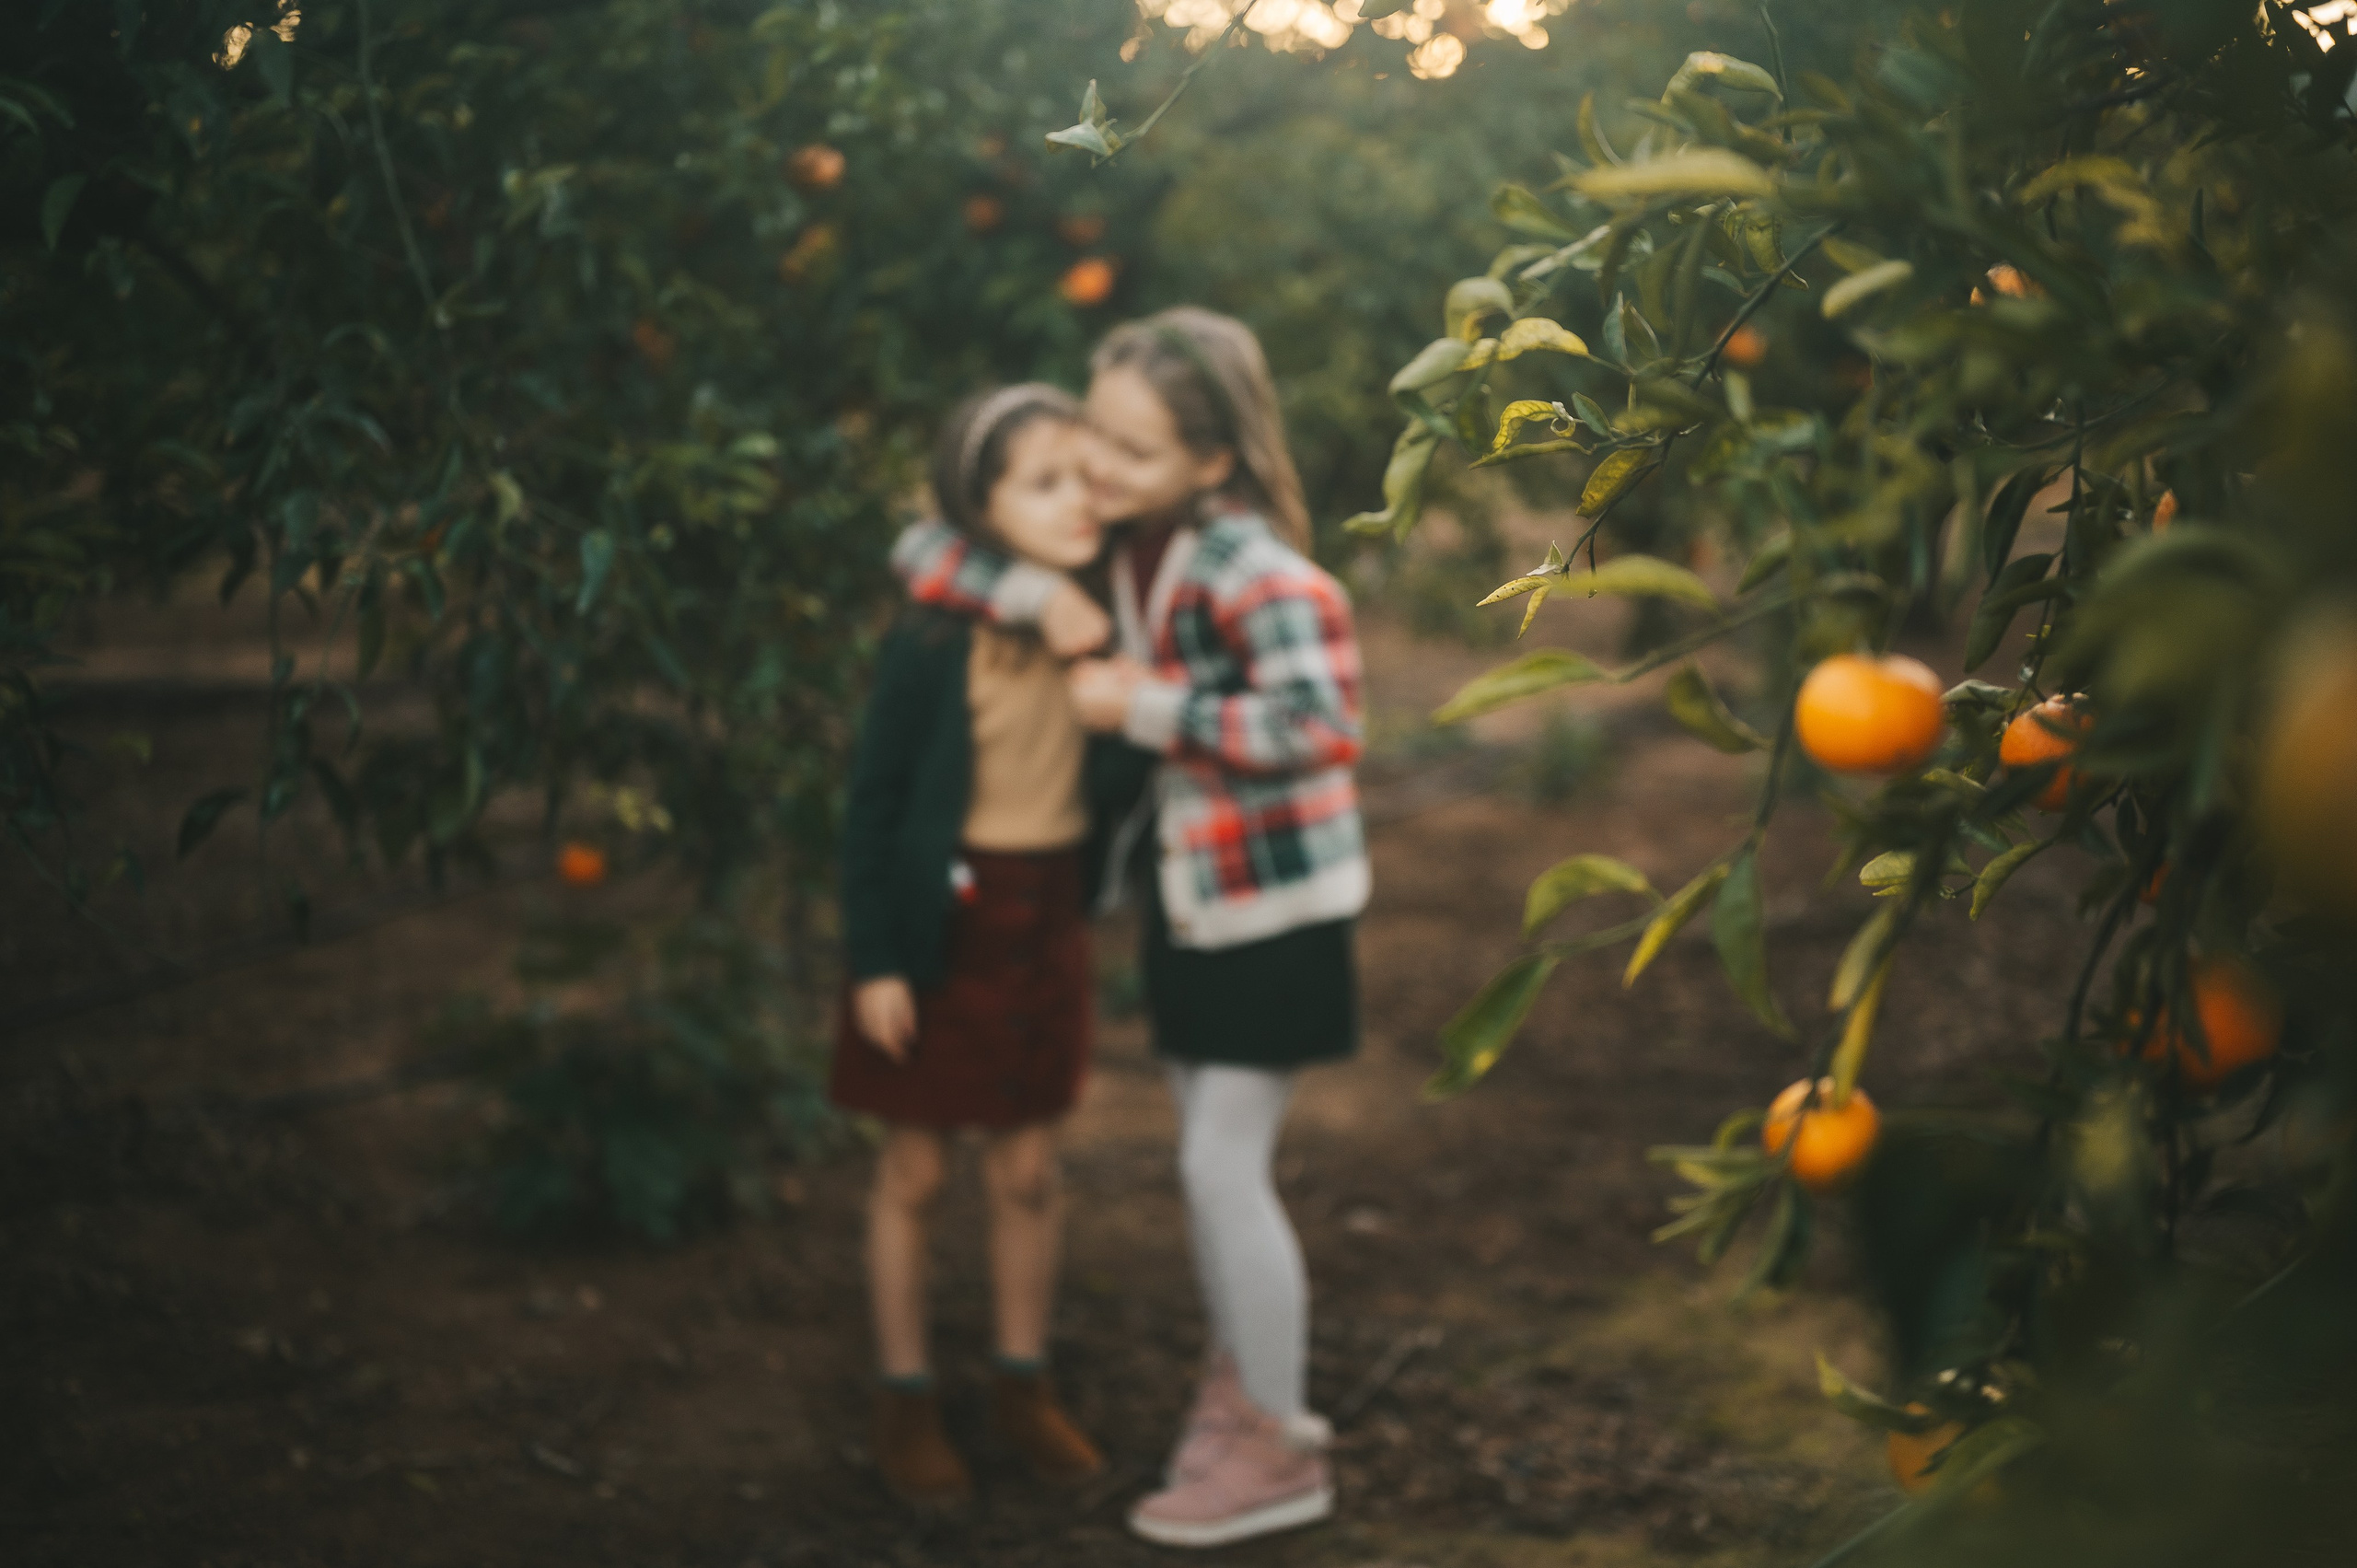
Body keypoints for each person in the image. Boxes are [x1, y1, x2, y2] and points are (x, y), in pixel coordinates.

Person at [893, 308, 1367, 1548]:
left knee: (1220, 1164)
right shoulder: (1126, 542)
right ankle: (1242, 1374)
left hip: (1271, 912)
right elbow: (924, 551)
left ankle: (1277, 1437)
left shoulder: (1254, 570)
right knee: (1206, 1166)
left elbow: (1321, 723)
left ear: (1211, 463)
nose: (1099, 470)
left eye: (1132, 452)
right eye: (1093, 435)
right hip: (1190, 899)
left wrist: (1150, 704)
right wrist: (1030, 599)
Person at [831, 383, 1110, 1506]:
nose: (1079, 498)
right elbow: (873, 804)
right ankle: (905, 1395)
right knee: (912, 1168)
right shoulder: (935, 639)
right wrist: (877, 958)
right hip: (941, 915)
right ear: (981, 509)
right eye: (1044, 483)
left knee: (1030, 1167)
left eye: (1085, 473)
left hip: (1044, 914)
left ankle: (1019, 1379)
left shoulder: (1103, 607)